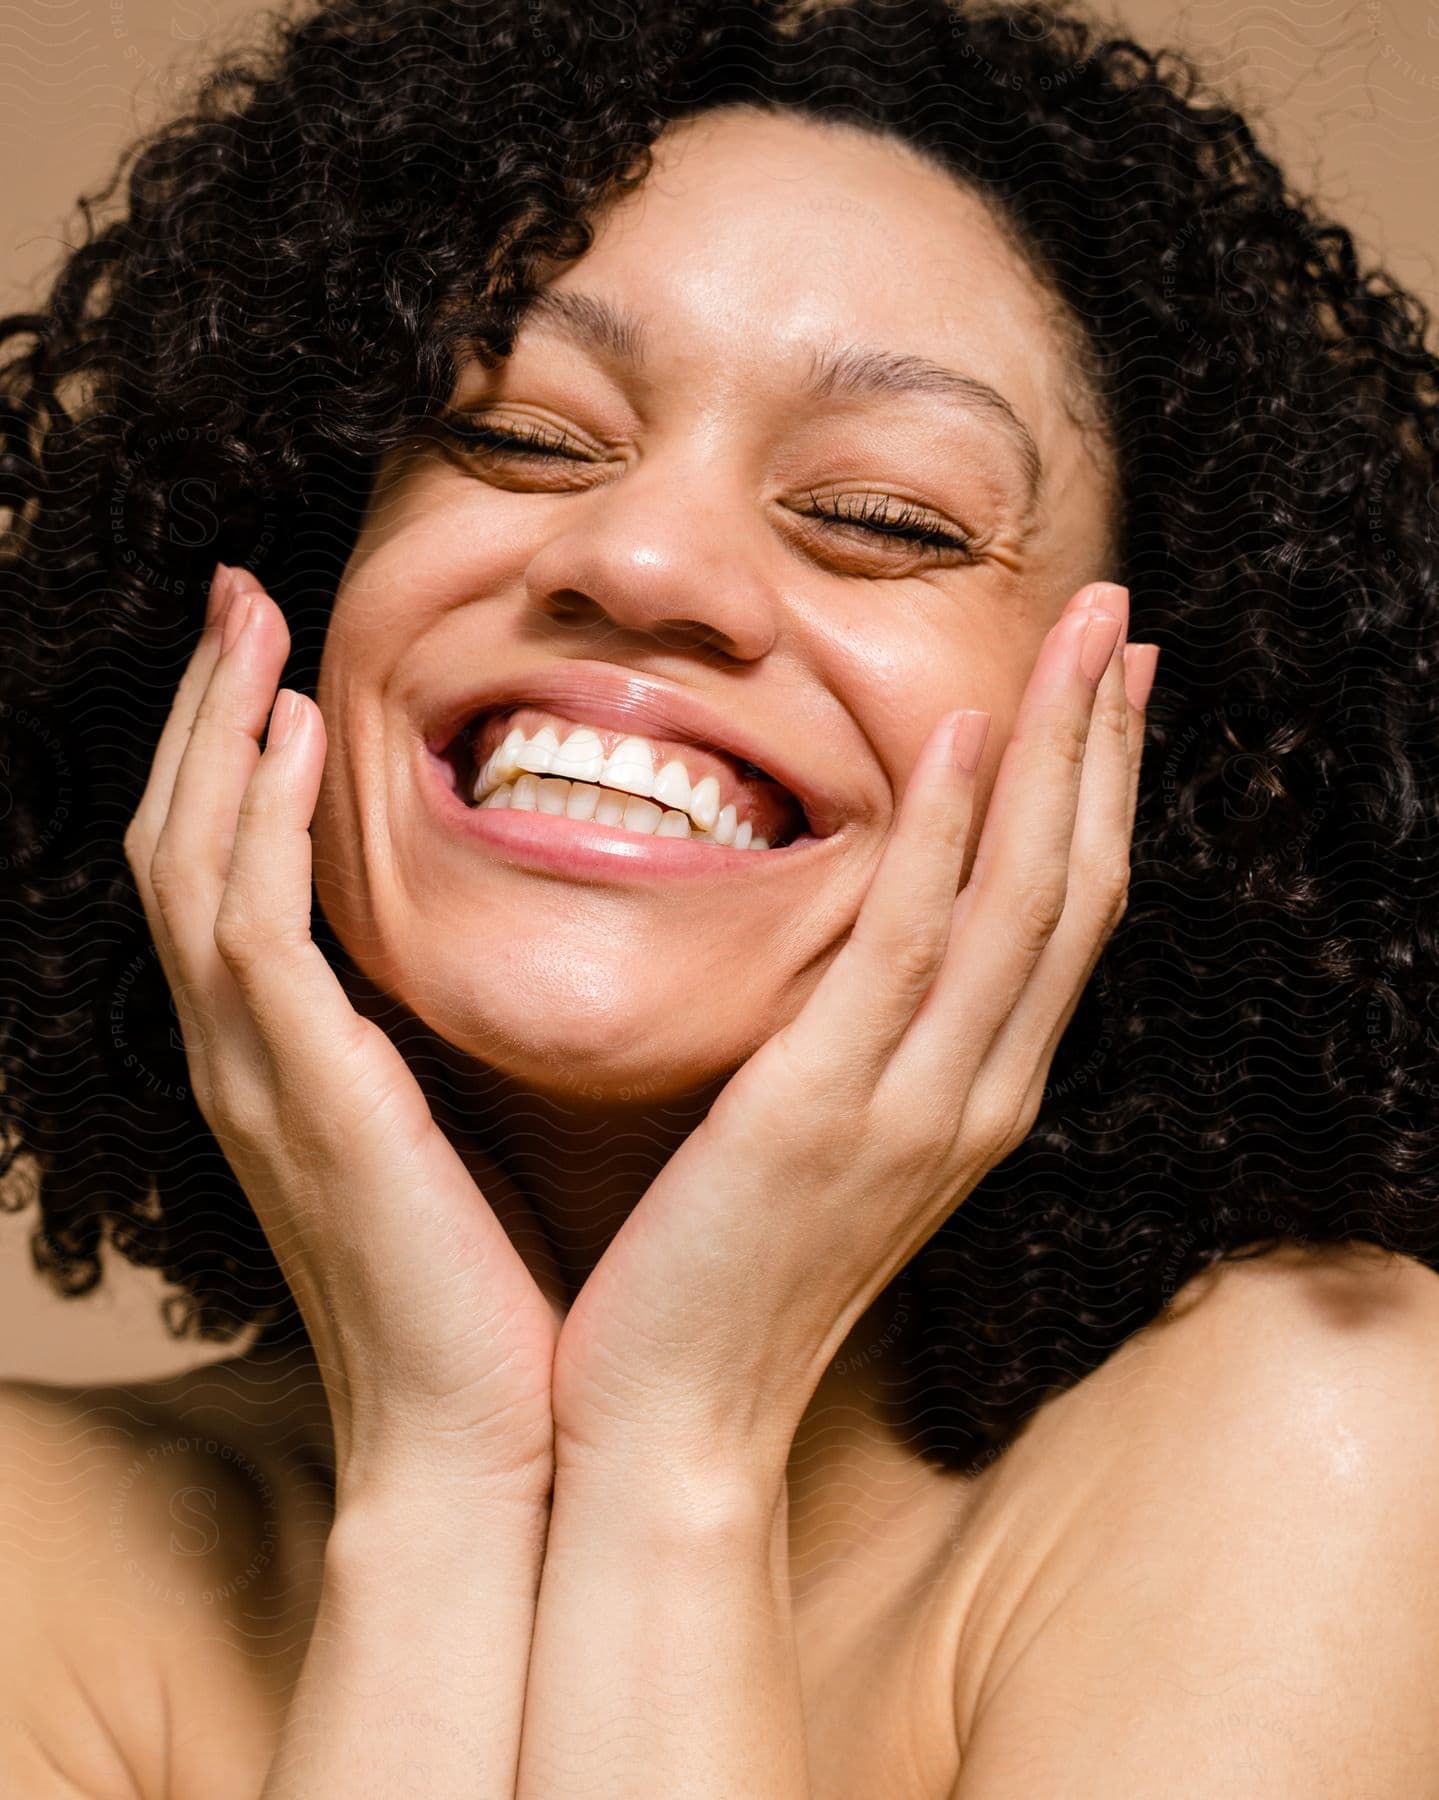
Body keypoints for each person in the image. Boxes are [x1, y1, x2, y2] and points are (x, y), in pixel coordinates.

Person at [3, 0, 1439, 1792]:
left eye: (887, 514)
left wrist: (674, 1458)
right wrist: (450, 1480)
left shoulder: (1317, 1430)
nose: (647, 561)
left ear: (1168, 755)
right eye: (519, 432)